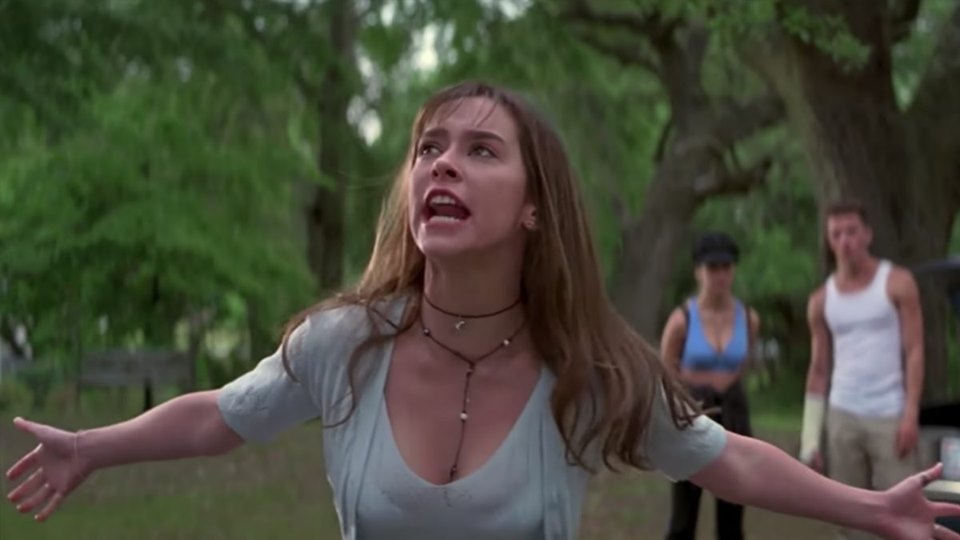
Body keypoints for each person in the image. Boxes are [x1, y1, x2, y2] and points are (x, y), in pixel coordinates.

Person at [5, 82, 958, 540]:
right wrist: (93, 447)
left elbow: (729, 457)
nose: (443, 165)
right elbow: (220, 415)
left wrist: (869, 507)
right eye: (429, 148)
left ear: (535, 206)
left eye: (480, 151)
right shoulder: (343, 346)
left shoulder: (587, 367)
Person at [800, 200, 928, 539]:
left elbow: (914, 350)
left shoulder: (897, 282)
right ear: (829, 240)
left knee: (905, 512)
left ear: (867, 234)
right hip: (843, 414)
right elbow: (818, 368)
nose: (846, 241)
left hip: (889, 413)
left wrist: (910, 412)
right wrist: (810, 437)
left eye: (852, 231)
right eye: (837, 234)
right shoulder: (821, 300)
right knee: (850, 517)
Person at [660, 232, 759, 540]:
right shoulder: (682, 320)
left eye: (726, 267)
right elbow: (666, 372)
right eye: (712, 267)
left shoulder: (748, 318)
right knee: (683, 516)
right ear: (698, 271)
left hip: (734, 412)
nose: (719, 275)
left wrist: (726, 387)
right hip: (693, 413)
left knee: (732, 511)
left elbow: (745, 362)